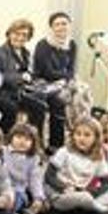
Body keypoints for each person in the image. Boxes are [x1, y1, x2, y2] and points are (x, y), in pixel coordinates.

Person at [45, 117, 108, 214]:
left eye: (87, 135)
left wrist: (90, 192)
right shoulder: (65, 151)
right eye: (78, 134)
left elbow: (107, 184)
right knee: (82, 197)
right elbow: (49, 176)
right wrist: (64, 188)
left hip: (82, 192)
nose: (81, 138)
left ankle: (89, 207)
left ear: (96, 138)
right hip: (61, 194)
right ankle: (100, 209)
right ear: (73, 136)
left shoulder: (98, 157)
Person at [0, 19, 47, 134]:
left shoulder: (26, 53)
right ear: (9, 34)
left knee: (40, 106)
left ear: (28, 37)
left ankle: (33, 140)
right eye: (16, 34)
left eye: (24, 35)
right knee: (11, 109)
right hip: (0, 93)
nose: (20, 38)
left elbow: (30, 73)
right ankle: (4, 139)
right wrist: (20, 77)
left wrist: (32, 78)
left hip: (18, 93)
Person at [33, 12, 76, 151]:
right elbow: (46, 71)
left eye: (64, 23)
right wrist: (64, 78)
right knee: (58, 100)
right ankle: (55, 145)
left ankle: (78, 138)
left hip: (62, 83)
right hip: (43, 82)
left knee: (82, 95)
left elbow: (71, 70)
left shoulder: (72, 44)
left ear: (69, 26)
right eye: (57, 24)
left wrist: (65, 79)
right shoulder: (43, 44)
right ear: (51, 27)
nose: (61, 27)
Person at [3, 123, 47, 214]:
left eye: (27, 139)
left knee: (16, 200)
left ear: (33, 143)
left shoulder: (33, 159)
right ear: (11, 138)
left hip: (18, 190)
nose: (22, 141)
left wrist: (38, 198)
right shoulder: (3, 152)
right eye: (18, 137)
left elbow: (35, 180)